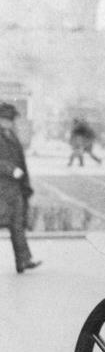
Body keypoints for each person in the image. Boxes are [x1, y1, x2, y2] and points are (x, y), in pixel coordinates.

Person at [0, 103, 39, 273]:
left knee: (17, 224)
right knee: (10, 223)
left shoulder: (10, 135)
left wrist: (25, 185)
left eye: (11, 120)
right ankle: (23, 260)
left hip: (15, 188)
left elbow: (21, 161)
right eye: (6, 120)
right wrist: (11, 169)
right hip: (3, 188)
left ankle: (23, 260)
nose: (9, 122)